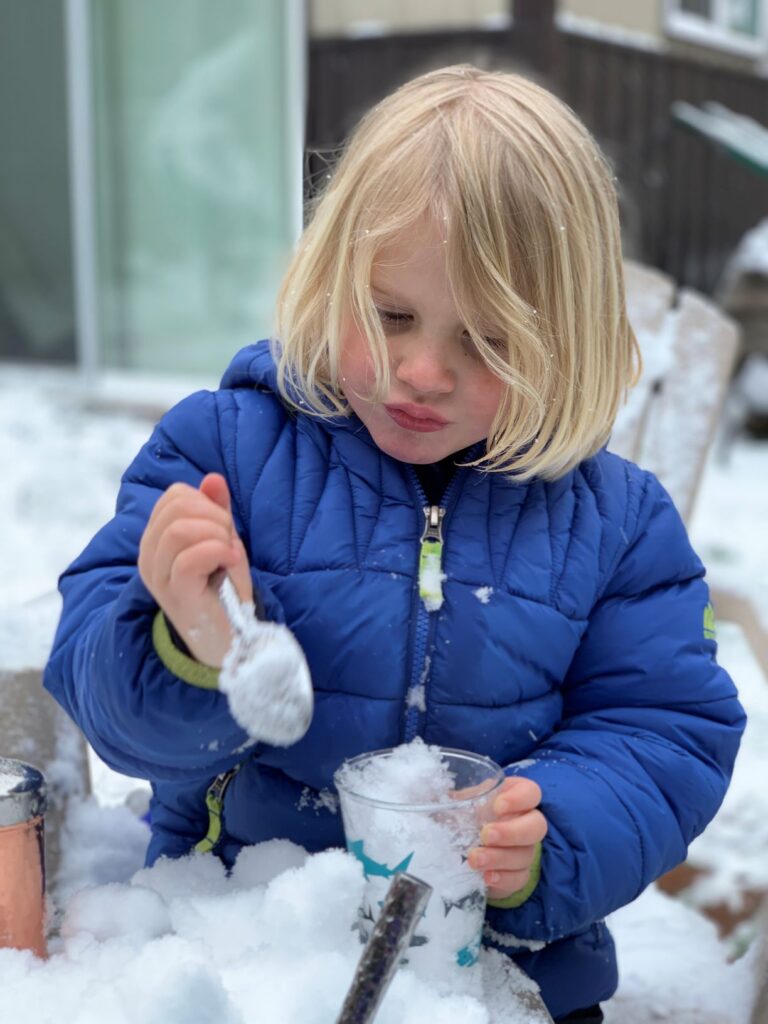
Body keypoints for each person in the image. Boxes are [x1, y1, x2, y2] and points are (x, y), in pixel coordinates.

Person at [44, 65, 745, 1022]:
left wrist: (550, 834)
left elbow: (666, 732)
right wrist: (189, 646)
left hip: (501, 975)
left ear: (564, 344)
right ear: (332, 279)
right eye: (392, 314)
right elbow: (107, 700)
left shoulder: (616, 524)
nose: (423, 371)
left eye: (490, 341)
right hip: (238, 951)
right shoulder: (224, 453)